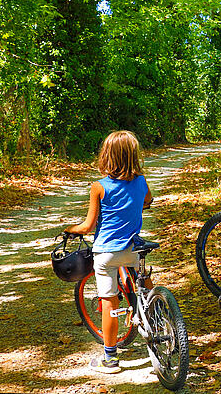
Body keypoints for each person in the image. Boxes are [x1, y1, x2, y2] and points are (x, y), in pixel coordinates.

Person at [66, 130, 153, 373]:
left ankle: (110, 359)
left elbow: (88, 226)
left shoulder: (98, 187)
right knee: (145, 283)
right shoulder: (141, 181)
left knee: (109, 302)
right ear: (134, 156)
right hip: (134, 250)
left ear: (106, 156)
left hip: (106, 254)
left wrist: (69, 229)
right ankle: (155, 314)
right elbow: (148, 200)